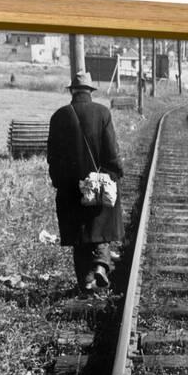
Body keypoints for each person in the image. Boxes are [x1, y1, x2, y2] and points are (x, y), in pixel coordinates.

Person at [47, 71, 124, 293]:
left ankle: (85, 281)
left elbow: (53, 155)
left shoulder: (59, 116)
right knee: (100, 226)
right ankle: (101, 264)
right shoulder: (102, 113)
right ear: (90, 91)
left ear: (72, 91)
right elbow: (112, 151)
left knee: (79, 234)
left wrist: (59, 181)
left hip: (70, 188)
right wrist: (115, 173)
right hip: (99, 183)